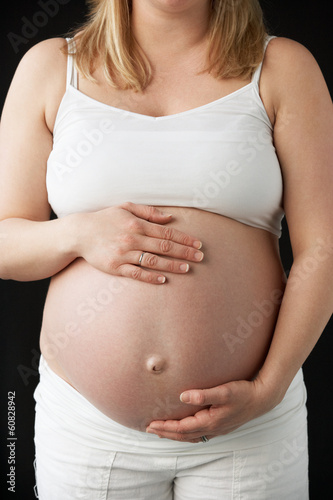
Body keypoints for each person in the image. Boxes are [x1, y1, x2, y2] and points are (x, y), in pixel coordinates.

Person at [0, 0, 332, 498]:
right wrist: (79, 234)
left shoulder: (283, 68)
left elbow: (323, 250)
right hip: (88, 432)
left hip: (249, 432)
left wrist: (268, 390)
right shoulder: (52, 67)